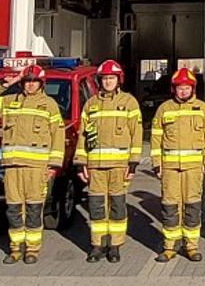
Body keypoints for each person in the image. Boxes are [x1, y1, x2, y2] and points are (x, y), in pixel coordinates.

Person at [0, 64, 64, 264]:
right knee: (13, 209)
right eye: (27, 81)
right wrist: (3, 84)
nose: (30, 85)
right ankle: (15, 248)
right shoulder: (9, 102)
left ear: (41, 84)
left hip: (37, 168)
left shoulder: (49, 105)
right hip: (12, 168)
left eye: (34, 82)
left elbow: (58, 135)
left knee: (34, 209)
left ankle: (32, 249)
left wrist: (53, 166)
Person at [149, 67, 205, 263]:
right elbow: (155, 139)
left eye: (187, 88)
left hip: (194, 169)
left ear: (193, 89)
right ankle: (170, 246)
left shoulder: (203, 109)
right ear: (174, 89)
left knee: (192, 207)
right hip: (170, 169)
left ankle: (191, 246)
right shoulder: (164, 109)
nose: (183, 91)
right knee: (170, 207)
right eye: (180, 88)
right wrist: (157, 165)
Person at [78, 59, 142, 263]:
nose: (108, 82)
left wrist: (133, 163)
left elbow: (136, 134)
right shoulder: (91, 104)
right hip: (95, 167)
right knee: (96, 207)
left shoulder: (129, 103)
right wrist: (80, 163)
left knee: (117, 207)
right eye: (104, 78)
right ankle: (97, 245)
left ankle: (115, 246)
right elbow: (82, 136)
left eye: (111, 78)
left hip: (119, 167)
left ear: (118, 80)